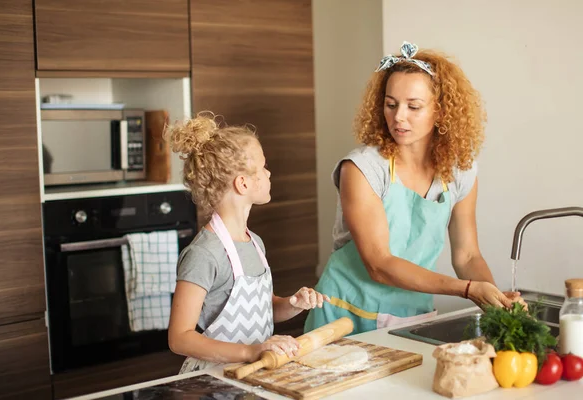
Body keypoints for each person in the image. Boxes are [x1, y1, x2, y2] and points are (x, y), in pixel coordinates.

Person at [305, 42, 525, 335]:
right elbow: (379, 264)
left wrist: (496, 299)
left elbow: (467, 256)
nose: (398, 117)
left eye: (414, 106)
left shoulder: (460, 171)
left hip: (410, 315)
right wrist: (468, 289)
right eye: (391, 104)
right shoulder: (362, 169)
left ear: (441, 111)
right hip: (344, 315)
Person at [165, 112, 329, 373]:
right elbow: (179, 337)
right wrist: (249, 351)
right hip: (216, 378)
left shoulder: (255, 243)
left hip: (254, 372)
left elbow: (266, 310)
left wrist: (293, 303)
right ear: (242, 183)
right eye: (263, 167)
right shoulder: (203, 254)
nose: (269, 172)